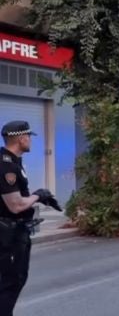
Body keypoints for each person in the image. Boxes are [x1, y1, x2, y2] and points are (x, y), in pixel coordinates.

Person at [0, 120, 59, 316]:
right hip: (7, 233)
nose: (30, 141)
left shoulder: (13, 161)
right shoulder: (6, 166)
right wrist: (38, 195)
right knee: (12, 280)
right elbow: (15, 205)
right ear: (21, 138)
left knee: (13, 280)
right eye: (28, 137)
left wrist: (40, 199)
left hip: (15, 231)